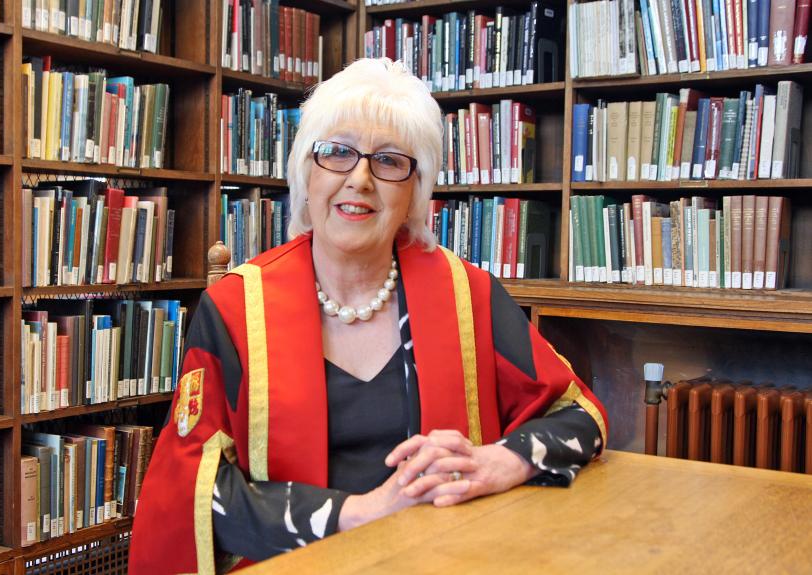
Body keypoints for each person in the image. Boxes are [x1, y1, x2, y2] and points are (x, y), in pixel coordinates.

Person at [129, 58, 608, 575]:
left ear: (414, 193)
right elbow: (197, 490)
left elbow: (581, 418)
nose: (359, 179)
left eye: (389, 161)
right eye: (337, 153)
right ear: (305, 173)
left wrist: (498, 462)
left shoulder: (467, 294)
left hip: (445, 558)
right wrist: (358, 514)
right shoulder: (236, 309)